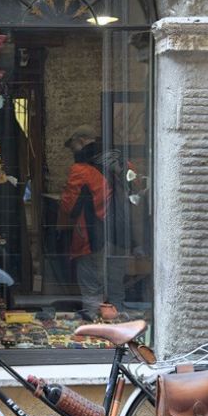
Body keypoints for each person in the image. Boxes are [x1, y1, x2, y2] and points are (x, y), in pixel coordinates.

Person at [58, 128, 126, 317]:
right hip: (122, 236)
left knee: (91, 288)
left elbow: (69, 207)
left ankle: (97, 332)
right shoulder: (121, 161)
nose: (72, 152)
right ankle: (121, 331)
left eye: (73, 147)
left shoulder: (81, 170)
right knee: (116, 288)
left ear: (80, 141)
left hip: (93, 236)